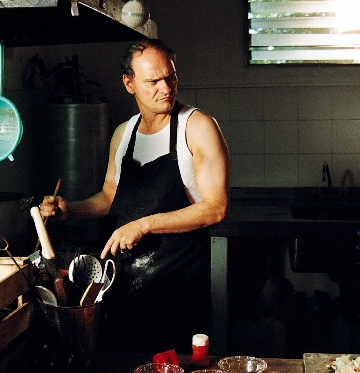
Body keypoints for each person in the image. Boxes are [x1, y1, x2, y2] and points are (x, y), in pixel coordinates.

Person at [39, 39, 229, 353]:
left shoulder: (197, 127)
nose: (166, 88)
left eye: (170, 77)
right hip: (125, 285)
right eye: (153, 81)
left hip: (178, 292)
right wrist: (70, 210)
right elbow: (109, 197)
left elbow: (216, 208)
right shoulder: (123, 135)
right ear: (129, 84)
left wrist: (143, 225)